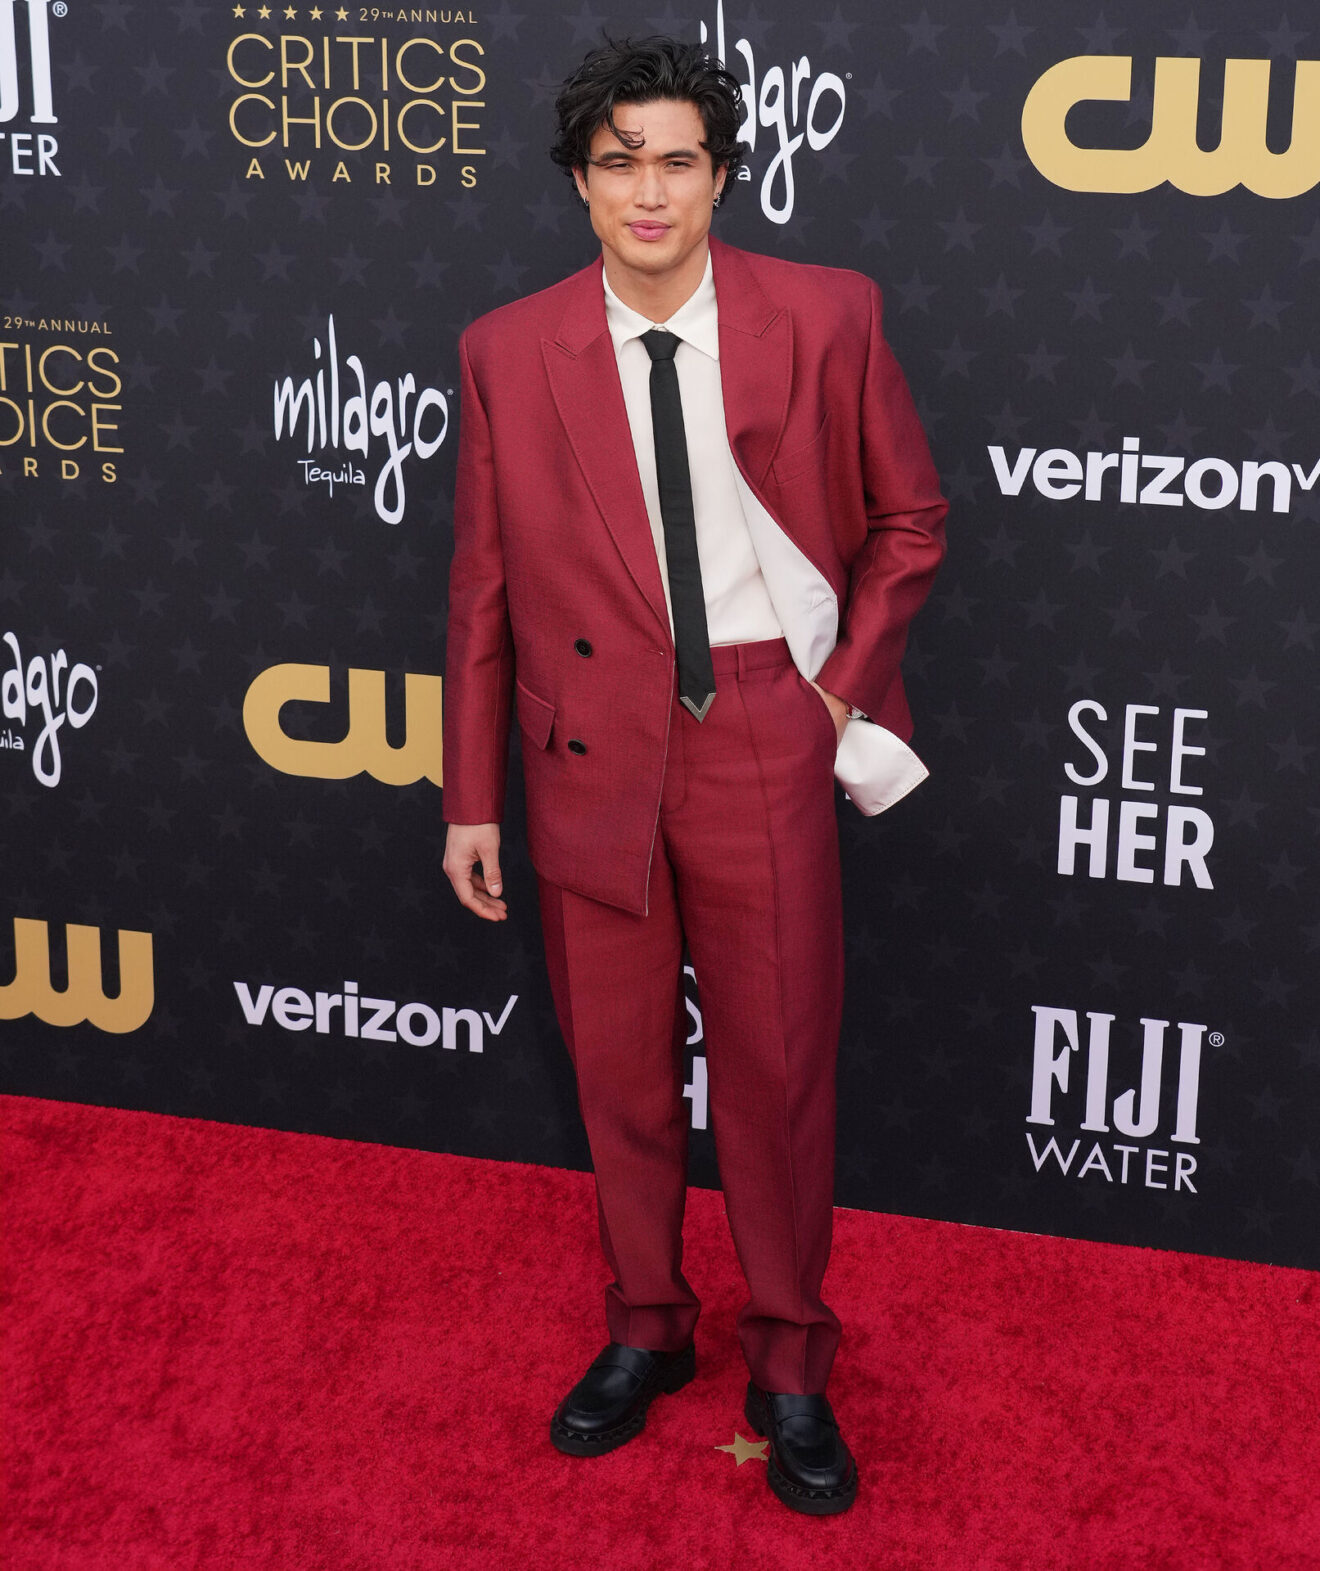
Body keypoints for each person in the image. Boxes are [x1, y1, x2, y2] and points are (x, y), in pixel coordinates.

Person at [441, 35, 946, 1516]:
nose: (648, 190)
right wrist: (472, 795)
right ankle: (648, 1328)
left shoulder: (828, 315)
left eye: (676, 159)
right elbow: (479, 592)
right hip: (587, 750)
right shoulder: (502, 348)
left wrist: (829, 698)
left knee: (778, 1073)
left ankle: (791, 1359)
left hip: (759, 729)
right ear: (581, 183)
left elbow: (911, 523)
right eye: (618, 161)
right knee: (619, 1075)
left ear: (722, 173)